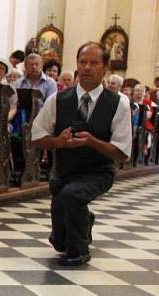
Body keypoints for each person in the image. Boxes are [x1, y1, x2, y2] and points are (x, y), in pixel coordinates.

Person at [32, 42, 132, 267]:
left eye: (94, 63)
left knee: (73, 196)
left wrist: (92, 142)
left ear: (105, 67)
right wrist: (58, 142)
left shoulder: (118, 104)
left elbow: (122, 153)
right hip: (64, 172)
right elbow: (36, 137)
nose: (87, 67)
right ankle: (83, 222)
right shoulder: (57, 100)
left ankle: (80, 251)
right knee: (59, 242)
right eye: (82, 62)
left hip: (98, 172)